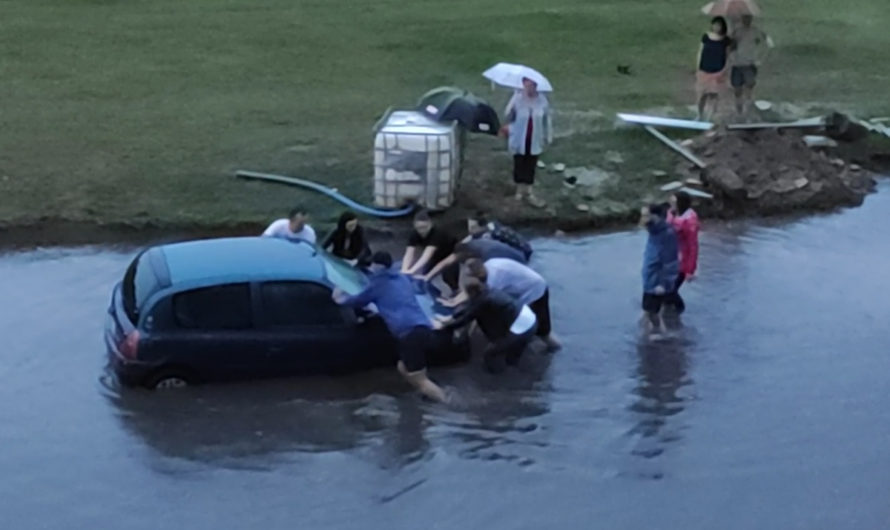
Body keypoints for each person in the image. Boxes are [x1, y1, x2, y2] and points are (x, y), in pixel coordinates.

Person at [333, 251, 449, 403]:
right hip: (423, 328)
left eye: (373, 264)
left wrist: (337, 295)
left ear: (378, 266)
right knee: (403, 367)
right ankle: (427, 391)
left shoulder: (378, 284)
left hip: (409, 335)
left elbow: (353, 301)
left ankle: (446, 403)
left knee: (418, 378)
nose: (371, 267)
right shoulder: (402, 278)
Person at [435, 278, 537, 374]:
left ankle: (496, 382)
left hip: (522, 327)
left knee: (490, 353)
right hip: (530, 318)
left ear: (472, 292)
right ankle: (515, 370)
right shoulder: (488, 290)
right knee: (512, 356)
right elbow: (469, 308)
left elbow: (467, 318)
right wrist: (451, 317)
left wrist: (445, 326)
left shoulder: (484, 301)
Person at [465, 258, 561, 351]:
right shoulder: (488, 265)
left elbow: (481, 304)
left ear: (480, 274)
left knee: (543, 333)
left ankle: (555, 348)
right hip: (521, 288)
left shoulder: (494, 279)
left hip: (536, 291)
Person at [502, 78, 552, 208]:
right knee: (519, 162)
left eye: (532, 86)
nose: (529, 88)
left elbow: (547, 119)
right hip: (519, 137)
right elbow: (507, 115)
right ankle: (519, 189)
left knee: (531, 163)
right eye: (527, 85)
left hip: (535, 137)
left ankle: (529, 190)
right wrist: (514, 99)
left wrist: (548, 137)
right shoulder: (517, 99)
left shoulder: (542, 100)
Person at [640, 204, 679, 338]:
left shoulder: (667, 234)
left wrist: (662, 283)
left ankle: (660, 338)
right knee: (648, 311)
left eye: (645, 215)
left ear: (655, 216)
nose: (642, 219)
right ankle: (655, 333)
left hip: (657, 281)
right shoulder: (653, 231)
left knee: (652, 312)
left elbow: (670, 261)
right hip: (649, 279)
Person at [421, 238, 527, 285]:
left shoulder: (487, 256)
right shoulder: (467, 246)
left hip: (516, 261)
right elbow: (445, 262)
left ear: (468, 255)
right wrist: (427, 277)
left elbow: (485, 279)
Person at [401, 210, 459, 290]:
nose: (422, 231)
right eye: (419, 228)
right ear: (415, 226)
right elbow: (409, 253)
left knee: (449, 277)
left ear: (430, 224)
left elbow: (427, 255)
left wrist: (411, 271)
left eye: (424, 227)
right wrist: (404, 270)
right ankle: (424, 292)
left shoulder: (437, 233)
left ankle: (455, 291)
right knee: (423, 275)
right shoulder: (414, 234)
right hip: (435, 255)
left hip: (451, 253)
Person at [730, 15, 774, 118]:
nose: (746, 20)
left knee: (749, 88)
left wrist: (761, 59)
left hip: (749, 64)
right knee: (737, 90)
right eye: (744, 18)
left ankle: (748, 112)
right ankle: (739, 112)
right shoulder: (736, 32)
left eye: (748, 18)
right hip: (737, 64)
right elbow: (730, 46)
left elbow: (769, 44)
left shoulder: (756, 31)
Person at [666, 191, 700, 314]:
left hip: (682, 263)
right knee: (666, 291)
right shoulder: (671, 213)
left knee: (670, 290)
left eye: (673, 202)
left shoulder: (690, 221)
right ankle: (670, 314)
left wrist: (690, 271)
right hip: (670, 259)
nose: (671, 204)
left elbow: (693, 246)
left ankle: (680, 312)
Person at [695, 16, 732, 121]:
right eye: (715, 25)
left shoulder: (726, 40)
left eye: (718, 25)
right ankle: (700, 114)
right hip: (704, 70)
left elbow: (728, 55)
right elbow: (700, 51)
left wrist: (725, 70)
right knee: (702, 95)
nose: (716, 27)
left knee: (714, 95)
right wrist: (698, 67)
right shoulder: (706, 36)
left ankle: (710, 117)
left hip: (718, 71)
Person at [464, 211, 533, 260]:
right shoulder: (494, 225)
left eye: (473, 227)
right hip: (525, 249)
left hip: (520, 254)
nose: (470, 231)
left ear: (481, 226)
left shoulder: (489, 235)